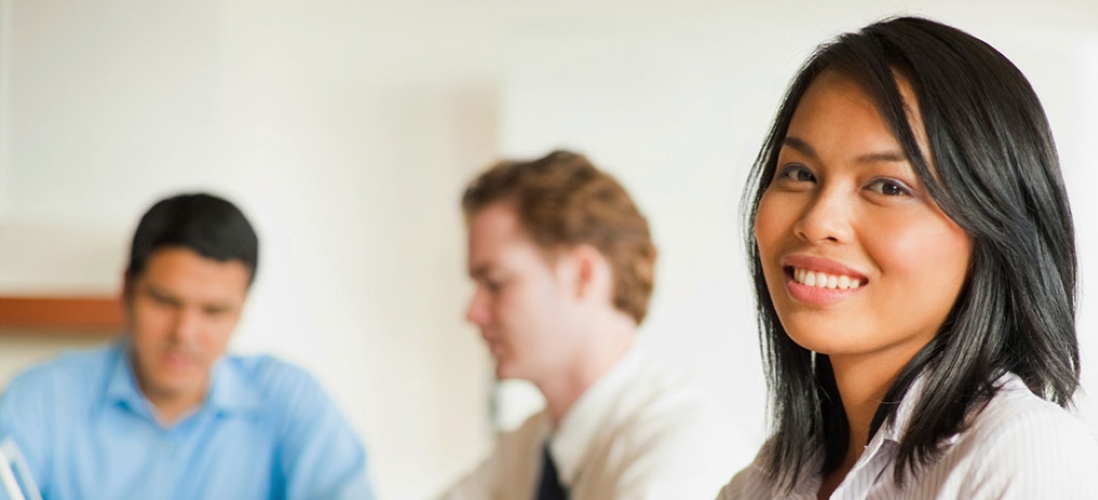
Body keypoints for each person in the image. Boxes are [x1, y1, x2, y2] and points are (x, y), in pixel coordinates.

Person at [718, 17, 1098, 499]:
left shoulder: (1020, 451)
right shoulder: (765, 482)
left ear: (991, 228)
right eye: (799, 173)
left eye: (888, 186)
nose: (818, 220)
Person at [0, 193, 374, 500]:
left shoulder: (291, 401)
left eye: (213, 311)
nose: (184, 333)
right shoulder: (41, 399)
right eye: (164, 301)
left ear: (241, 308)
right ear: (127, 289)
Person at [441, 151, 752, 500]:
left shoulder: (682, 451)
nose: (473, 312)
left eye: (496, 283)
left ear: (583, 275)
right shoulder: (529, 446)